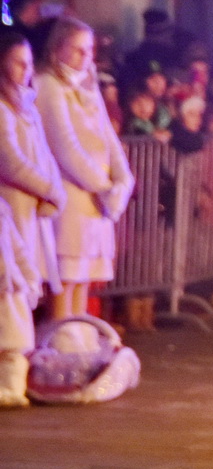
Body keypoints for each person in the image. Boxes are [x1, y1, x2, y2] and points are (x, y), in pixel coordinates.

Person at [37, 17, 135, 320]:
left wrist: (123, 180)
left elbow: (108, 137)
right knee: (67, 276)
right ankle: (62, 342)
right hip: (71, 196)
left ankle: (81, 337)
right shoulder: (47, 85)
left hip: (97, 200)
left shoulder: (90, 87)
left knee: (84, 278)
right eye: (78, 50)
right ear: (57, 49)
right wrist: (104, 187)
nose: (86, 57)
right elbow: (65, 146)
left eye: (89, 50)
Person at [0, 31, 64, 397]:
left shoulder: (26, 106)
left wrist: (53, 190)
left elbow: (42, 154)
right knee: (10, 287)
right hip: (9, 212)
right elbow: (11, 161)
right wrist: (50, 189)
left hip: (30, 214)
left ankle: (18, 371)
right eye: (18, 62)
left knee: (25, 285)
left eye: (29, 62)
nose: (27, 70)